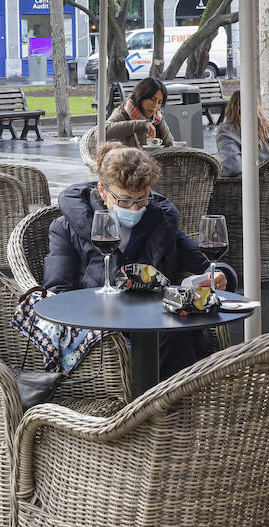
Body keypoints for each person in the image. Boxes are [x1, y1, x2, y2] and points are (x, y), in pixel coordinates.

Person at [43, 142, 227, 377]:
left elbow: (205, 264)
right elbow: (57, 292)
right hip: (104, 332)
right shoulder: (65, 228)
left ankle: (174, 408)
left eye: (142, 200)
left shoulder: (160, 222)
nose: (134, 208)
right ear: (102, 191)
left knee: (176, 335)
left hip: (158, 327)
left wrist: (220, 274)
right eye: (125, 200)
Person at [215, 90, 269, 177]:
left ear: (230, 107)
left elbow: (233, 168)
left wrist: (217, 172)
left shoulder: (227, 131)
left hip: (249, 185)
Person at [105, 76, 175, 149]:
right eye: (152, 99)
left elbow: (170, 144)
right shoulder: (124, 111)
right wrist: (141, 125)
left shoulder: (157, 118)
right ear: (141, 97)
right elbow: (104, 132)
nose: (155, 105)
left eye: (159, 102)